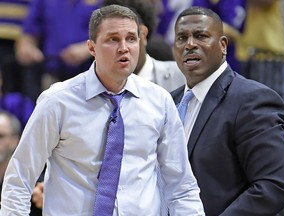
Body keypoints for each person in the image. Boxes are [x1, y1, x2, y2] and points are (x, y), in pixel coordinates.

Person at [0, 5, 205, 215]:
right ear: (91, 48)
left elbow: (181, 187)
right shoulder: (57, 101)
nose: (124, 47)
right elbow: (20, 179)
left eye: (131, 39)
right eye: (113, 39)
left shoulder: (160, 101)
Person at [171, 6, 284, 216]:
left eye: (201, 36)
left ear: (223, 45)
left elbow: (275, 185)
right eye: (182, 38)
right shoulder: (169, 101)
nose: (190, 44)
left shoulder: (252, 99)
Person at [15, 0, 102, 101]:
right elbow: (29, 31)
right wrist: (26, 47)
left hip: (91, 75)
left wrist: (88, 48)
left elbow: (116, 31)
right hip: (51, 73)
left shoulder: (104, 2)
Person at [102, 0, 186, 92]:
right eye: (113, 39)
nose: (122, 48)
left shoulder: (183, 75)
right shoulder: (92, 85)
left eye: (129, 38)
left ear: (143, 33)